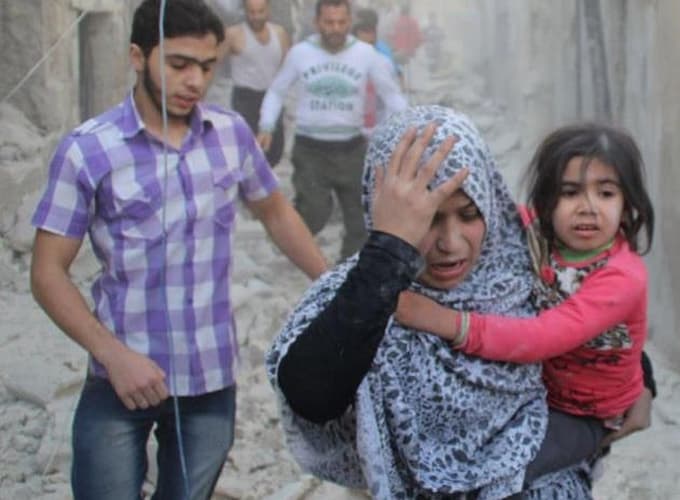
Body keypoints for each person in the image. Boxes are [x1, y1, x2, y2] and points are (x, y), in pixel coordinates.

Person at [265, 106, 654, 498]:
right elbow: (311, 396)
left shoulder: (515, 254)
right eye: (430, 218)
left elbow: (584, 312)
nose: (451, 244)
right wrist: (387, 253)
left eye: (469, 215)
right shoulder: (363, 293)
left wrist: (642, 378)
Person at [28, 1, 329, 498]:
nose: (195, 81)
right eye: (179, 64)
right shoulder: (88, 149)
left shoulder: (230, 135)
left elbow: (275, 212)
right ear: (137, 56)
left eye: (207, 67)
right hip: (119, 378)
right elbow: (46, 272)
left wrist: (333, 281)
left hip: (210, 380)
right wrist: (113, 356)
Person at [396, 123, 656, 483]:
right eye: (570, 193)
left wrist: (444, 320)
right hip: (539, 390)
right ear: (546, 200)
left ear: (628, 202)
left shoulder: (621, 277)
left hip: (585, 412)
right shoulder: (537, 232)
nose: (588, 208)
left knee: (502, 472)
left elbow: (542, 337)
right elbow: (491, 214)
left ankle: (583, 459)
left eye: (606, 193)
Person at [257, 0, 407, 260]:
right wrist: (266, 125)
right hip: (310, 148)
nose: (335, 29)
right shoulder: (300, 53)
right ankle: (286, 236)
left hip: (352, 148)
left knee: (360, 219)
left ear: (349, 22)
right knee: (314, 213)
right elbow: (277, 90)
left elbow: (392, 95)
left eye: (341, 22)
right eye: (329, 22)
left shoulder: (365, 54)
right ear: (317, 23)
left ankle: (344, 274)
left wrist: (406, 132)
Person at [223, 0, 292, 165]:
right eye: (251, 12)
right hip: (245, 98)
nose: (256, 17)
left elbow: (287, 70)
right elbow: (212, 65)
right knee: (249, 152)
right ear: (245, 11)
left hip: (272, 97)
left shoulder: (280, 33)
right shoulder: (233, 34)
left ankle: (266, 186)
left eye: (260, 11)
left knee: (275, 150)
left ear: (268, 10)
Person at [352, 7, 403, 137]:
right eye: (363, 30)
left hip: (376, 121)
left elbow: (395, 82)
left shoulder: (382, 53)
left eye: (368, 30)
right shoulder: (348, 53)